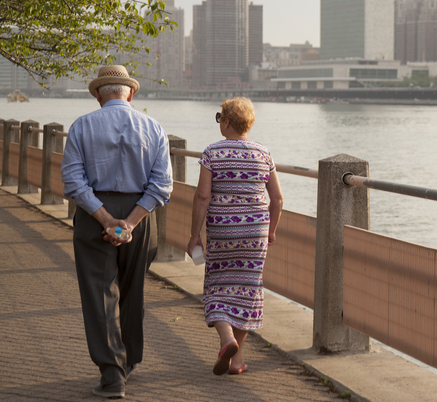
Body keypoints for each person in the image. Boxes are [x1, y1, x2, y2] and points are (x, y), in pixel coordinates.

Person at [61, 65, 173, 399]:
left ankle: (112, 374)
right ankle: (132, 359)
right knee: (132, 288)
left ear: (98, 95)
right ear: (131, 93)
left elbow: (72, 181)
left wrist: (106, 219)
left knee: (99, 292)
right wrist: (131, 222)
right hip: (140, 215)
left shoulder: (82, 126)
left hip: (94, 214)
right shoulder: (153, 127)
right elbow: (162, 185)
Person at [187, 97, 283, 376]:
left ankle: (227, 340)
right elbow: (276, 199)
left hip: (222, 231)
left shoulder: (211, 153)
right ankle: (236, 360)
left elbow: (202, 197)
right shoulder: (263, 153)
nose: (220, 122)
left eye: (220, 118)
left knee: (217, 286)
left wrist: (195, 235)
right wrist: (272, 230)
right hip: (255, 233)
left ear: (226, 121)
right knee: (247, 291)